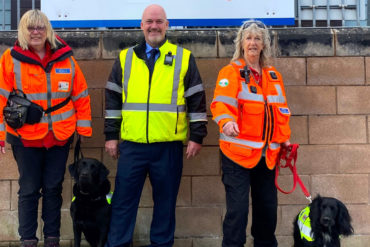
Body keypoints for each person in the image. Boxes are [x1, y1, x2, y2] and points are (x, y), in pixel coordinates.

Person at [104, 4, 207, 247]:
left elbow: (197, 99)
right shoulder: (125, 58)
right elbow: (112, 99)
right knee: (122, 203)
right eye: (149, 21)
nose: (154, 26)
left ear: (167, 25)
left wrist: (197, 136)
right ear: (141, 25)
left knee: (165, 204)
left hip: (168, 147)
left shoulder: (183, 57)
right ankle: (118, 244)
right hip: (132, 145)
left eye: (159, 21)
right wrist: (111, 135)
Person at [0, 9, 92, 247]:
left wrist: (83, 129)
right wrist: (1, 136)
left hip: (60, 137)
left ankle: (53, 240)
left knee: (53, 189)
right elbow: (0, 99)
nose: (36, 32)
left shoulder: (66, 58)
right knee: (29, 190)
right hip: (26, 138)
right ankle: (28, 240)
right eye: (30, 27)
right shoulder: (10, 59)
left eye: (40, 27)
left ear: (48, 29)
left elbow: (80, 94)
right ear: (22, 31)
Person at [210, 20, 291, 247]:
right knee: (238, 213)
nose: (253, 43)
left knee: (267, 212)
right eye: (248, 38)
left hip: (267, 157)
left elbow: (281, 112)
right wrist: (226, 122)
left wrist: (284, 139)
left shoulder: (273, 76)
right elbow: (220, 104)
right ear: (241, 44)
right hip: (237, 156)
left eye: (257, 39)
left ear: (264, 44)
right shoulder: (231, 72)